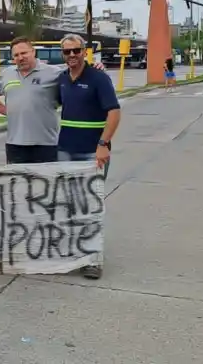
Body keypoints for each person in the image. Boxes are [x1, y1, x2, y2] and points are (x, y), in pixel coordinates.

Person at [56, 33, 121, 280]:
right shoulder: (62, 79)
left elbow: (114, 112)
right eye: (67, 52)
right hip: (65, 150)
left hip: (92, 152)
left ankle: (93, 260)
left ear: (84, 51)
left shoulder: (98, 77)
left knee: (91, 205)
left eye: (76, 50)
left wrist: (103, 144)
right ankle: (74, 252)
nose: (72, 55)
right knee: (69, 204)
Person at [0, 36, 107, 164]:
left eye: (24, 53)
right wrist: (2, 109)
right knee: (17, 178)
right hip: (15, 144)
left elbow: (78, 69)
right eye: (16, 55)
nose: (20, 57)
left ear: (33, 52)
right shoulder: (7, 74)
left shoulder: (54, 72)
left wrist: (95, 66)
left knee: (47, 177)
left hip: (46, 144)